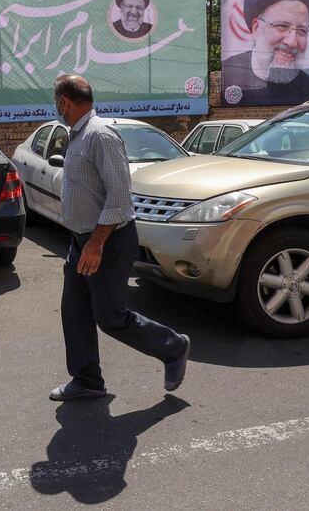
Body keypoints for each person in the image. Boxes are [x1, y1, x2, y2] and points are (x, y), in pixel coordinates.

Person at [49, 74, 190, 402]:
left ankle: (173, 347)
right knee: (74, 311)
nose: (56, 106)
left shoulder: (100, 135)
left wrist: (96, 244)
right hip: (81, 242)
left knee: (111, 318)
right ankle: (86, 380)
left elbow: (119, 198)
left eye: (56, 101)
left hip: (108, 242)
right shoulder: (77, 135)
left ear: (64, 101)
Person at [221, 0, 309, 106]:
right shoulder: (228, 74)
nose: (292, 42)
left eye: (302, 30)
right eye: (282, 26)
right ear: (256, 27)